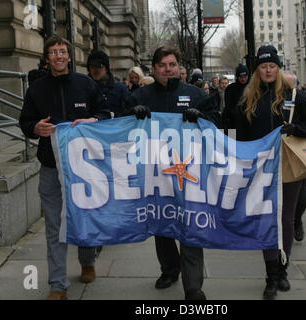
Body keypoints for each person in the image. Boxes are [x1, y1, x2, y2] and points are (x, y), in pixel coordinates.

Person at [19, 35, 111, 300]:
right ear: (47, 58)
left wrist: (94, 119)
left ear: (69, 57)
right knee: (53, 225)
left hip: (83, 167)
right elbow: (25, 122)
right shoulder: (36, 88)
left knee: (83, 215)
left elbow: (106, 114)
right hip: (50, 166)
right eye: (53, 52)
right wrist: (35, 128)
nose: (58, 56)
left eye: (62, 52)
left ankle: (87, 261)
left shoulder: (86, 84)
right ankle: (58, 284)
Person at [125, 46, 220, 300]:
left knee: (190, 223)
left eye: (172, 64)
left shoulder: (196, 95)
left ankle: (193, 286)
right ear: (154, 69)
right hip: (155, 172)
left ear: (179, 67)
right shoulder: (140, 96)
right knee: (162, 221)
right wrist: (133, 117)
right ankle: (169, 269)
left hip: (190, 172)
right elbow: (122, 128)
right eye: (163, 65)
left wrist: (201, 116)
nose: (168, 69)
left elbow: (216, 123)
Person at [235, 45, 306, 300]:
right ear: (257, 70)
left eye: (272, 66)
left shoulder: (295, 95)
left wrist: (295, 128)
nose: (268, 70)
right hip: (260, 167)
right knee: (266, 220)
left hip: (289, 166)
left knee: (286, 219)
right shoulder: (247, 98)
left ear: (278, 68)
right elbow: (240, 135)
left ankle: (282, 269)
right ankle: (271, 274)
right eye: (263, 66)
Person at [283, 71, 306, 242]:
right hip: (276, 153)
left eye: (288, 86)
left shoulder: (301, 98)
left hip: (295, 153)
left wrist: (295, 128)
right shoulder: (270, 97)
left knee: (301, 198)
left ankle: (297, 221)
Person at [87, 50, 129, 117]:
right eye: (92, 66)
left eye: (99, 66)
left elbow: (127, 111)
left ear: (106, 68)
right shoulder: (83, 88)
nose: (96, 70)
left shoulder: (120, 89)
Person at [222, 63, 250, 131]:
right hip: (232, 124)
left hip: (249, 125)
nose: (243, 79)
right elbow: (228, 107)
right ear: (237, 77)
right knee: (232, 141)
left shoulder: (252, 87)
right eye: (241, 77)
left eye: (245, 76)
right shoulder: (230, 89)